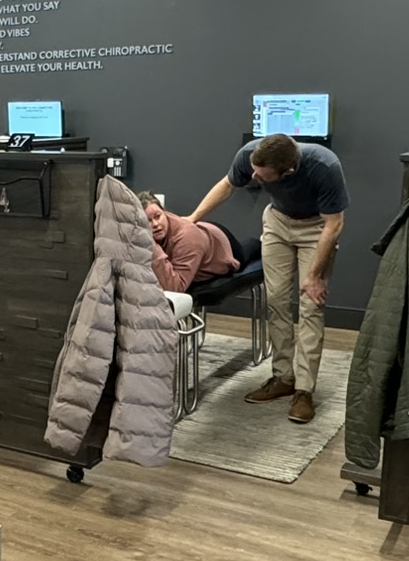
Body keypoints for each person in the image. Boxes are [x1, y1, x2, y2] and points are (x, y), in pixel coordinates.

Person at [189, 133, 348, 424]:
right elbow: (227, 186)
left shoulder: (325, 166)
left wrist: (314, 277)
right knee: (276, 301)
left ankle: (304, 390)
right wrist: (192, 220)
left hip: (316, 228)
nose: (253, 176)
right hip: (277, 222)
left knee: (310, 306)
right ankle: (283, 377)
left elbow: (334, 225)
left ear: (287, 171)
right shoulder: (251, 154)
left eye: (261, 176)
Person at [137, 192, 239, 293]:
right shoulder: (138, 231)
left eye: (158, 216)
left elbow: (175, 288)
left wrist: (152, 246)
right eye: (147, 221)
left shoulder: (188, 238)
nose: (155, 224)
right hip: (201, 234)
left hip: (220, 244)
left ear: (165, 212)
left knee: (252, 248)